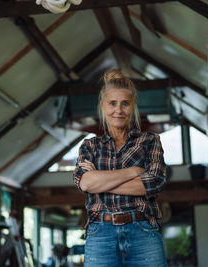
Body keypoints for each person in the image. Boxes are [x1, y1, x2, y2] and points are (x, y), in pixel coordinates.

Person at [73, 69, 168, 266]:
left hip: (143, 231)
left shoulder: (149, 141)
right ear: (103, 105)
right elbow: (85, 183)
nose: (119, 110)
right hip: (101, 235)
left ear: (132, 106)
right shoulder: (89, 146)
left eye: (125, 103)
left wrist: (101, 181)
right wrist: (132, 173)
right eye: (112, 103)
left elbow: (152, 184)